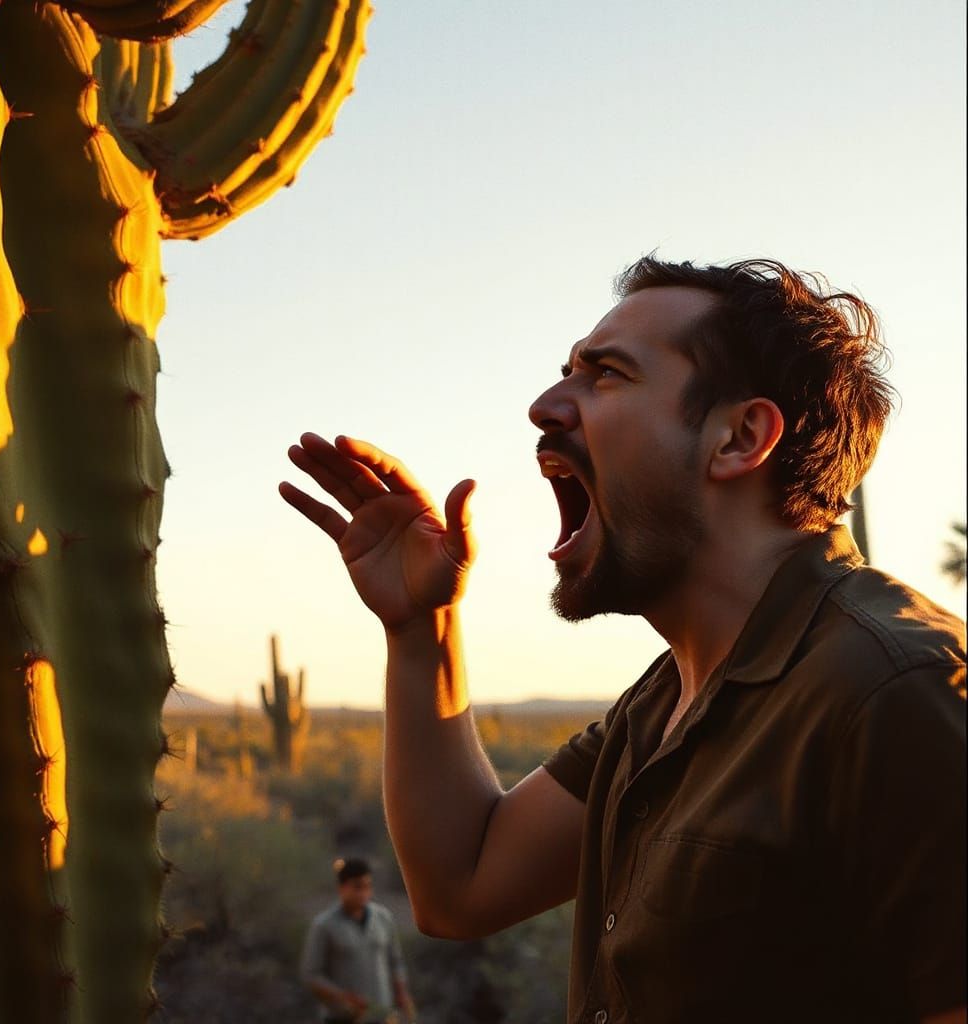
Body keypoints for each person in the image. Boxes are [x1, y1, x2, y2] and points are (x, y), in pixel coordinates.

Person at [280, 257, 966, 1024]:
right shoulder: (665, 700)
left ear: (740, 437)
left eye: (605, 375)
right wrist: (420, 629)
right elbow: (462, 885)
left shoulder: (898, 692)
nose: (545, 406)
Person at [300, 857, 416, 1023]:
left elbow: (395, 961)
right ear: (342, 888)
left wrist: (402, 994)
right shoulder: (324, 925)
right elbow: (311, 974)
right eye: (357, 887)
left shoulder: (383, 918)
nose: (363, 892)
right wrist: (342, 997)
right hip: (343, 1018)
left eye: (367, 886)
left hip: (380, 1015)